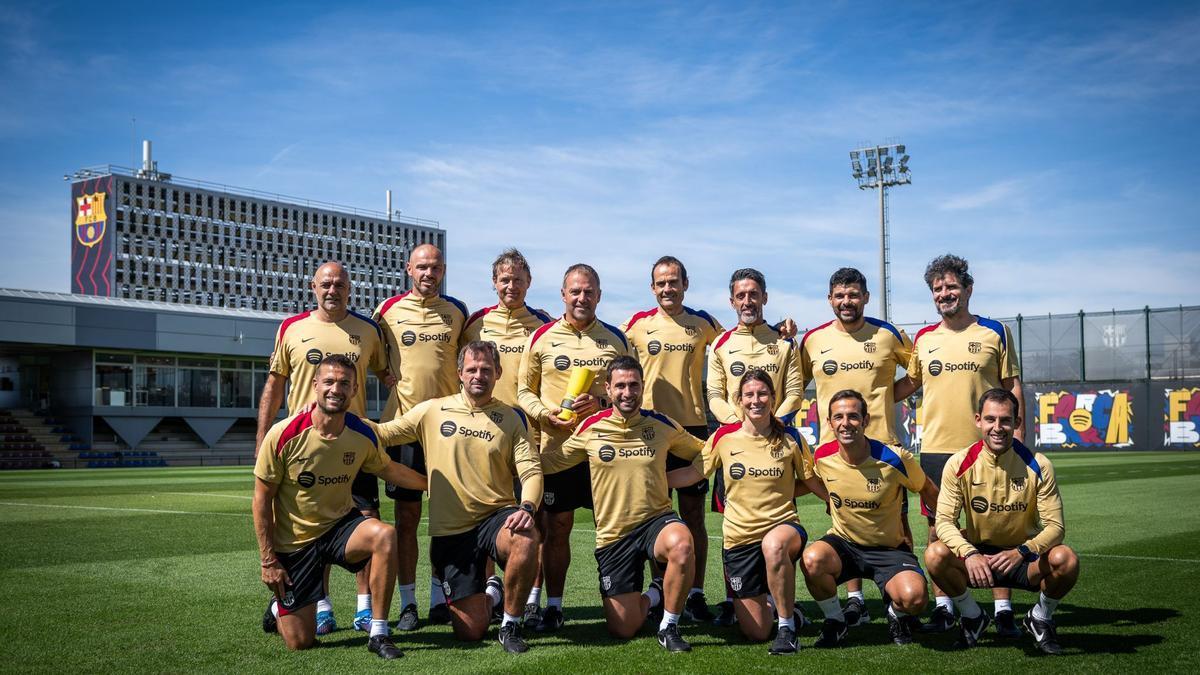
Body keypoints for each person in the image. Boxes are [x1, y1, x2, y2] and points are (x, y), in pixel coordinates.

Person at [253, 355, 426, 659]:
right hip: (295, 543)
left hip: (339, 528)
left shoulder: (361, 433)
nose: (336, 389)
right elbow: (261, 500)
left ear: (355, 389)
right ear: (315, 385)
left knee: (385, 535)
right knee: (300, 641)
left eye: (345, 383)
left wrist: (433, 484)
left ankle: (379, 631)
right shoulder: (283, 435)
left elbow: (391, 470)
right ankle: (279, 608)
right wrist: (269, 561)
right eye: (329, 382)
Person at [375, 341, 543, 653]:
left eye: (486, 370)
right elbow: (384, 433)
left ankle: (510, 625)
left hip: (496, 517)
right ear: (460, 374)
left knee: (525, 535)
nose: (479, 375)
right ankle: (491, 592)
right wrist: (334, 417)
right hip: (452, 532)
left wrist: (528, 506)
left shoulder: (511, 418)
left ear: (498, 374)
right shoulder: (432, 410)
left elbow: (531, 470)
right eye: (472, 369)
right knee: (470, 631)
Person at [256, 261, 394, 634]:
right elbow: (274, 386)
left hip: (355, 444)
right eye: (326, 284)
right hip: (304, 448)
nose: (333, 290)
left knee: (365, 524)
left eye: (340, 285)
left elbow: (389, 376)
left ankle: (365, 608)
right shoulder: (291, 328)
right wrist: (261, 440)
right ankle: (320, 605)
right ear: (313, 287)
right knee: (314, 529)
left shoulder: (368, 330)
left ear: (351, 289)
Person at [540, 356, 703, 652]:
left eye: (634, 385)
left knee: (682, 543)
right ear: (608, 389)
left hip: (657, 521)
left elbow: (705, 452)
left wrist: (680, 476)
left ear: (643, 387)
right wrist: (510, 460)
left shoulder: (662, 424)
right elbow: (554, 463)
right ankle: (655, 592)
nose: (628, 392)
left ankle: (669, 625)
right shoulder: (590, 427)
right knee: (623, 628)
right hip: (614, 536)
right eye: (621, 386)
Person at [901, 253, 1025, 636]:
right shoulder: (924, 339)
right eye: (937, 289)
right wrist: (866, 394)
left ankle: (1003, 609)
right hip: (938, 450)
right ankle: (945, 607)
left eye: (951, 286)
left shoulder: (995, 331)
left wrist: (1018, 441)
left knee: (997, 527)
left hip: (987, 448)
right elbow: (909, 385)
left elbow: (1013, 387)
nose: (944, 294)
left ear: (968, 289)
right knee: (939, 530)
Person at [667, 369, 828, 654]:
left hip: (783, 529)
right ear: (739, 401)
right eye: (749, 395)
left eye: (762, 394)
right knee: (755, 631)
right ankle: (788, 612)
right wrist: (649, 482)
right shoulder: (723, 438)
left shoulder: (791, 437)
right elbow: (693, 473)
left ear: (773, 398)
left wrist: (835, 501)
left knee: (774, 545)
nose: (756, 400)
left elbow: (811, 479)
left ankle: (788, 628)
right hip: (739, 540)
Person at [516, 263, 632, 632]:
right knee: (556, 527)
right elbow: (523, 391)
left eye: (589, 291)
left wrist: (601, 406)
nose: (582, 298)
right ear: (563, 295)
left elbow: (629, 392)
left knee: (611, 527)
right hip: (558, 451)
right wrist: (546, 415)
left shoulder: (616, 339)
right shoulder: (542, 337)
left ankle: (618, 598)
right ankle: (553, 605)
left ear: (599, 295)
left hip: (606, 454)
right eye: (575, 291)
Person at [798, 267, 914, 627]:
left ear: (865, 297)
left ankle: (897, 597)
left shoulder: (887, 334)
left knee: (898, 524)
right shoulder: (813, 339)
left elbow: (918, 373)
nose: (846, 302)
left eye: (853, 295)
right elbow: (796, 381)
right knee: (844, 521)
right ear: (830, 299)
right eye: (840, 296)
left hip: (883, 451)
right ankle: (856, 600)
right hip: (835, 453)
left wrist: (882, 399)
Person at [925, 389, 1078, 653]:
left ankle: (1040, 618)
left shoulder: (1038, 465)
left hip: (1021, 558)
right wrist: (969, 553)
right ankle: (973, 617)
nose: (998, 428)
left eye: (1005, 420)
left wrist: (1023, 551)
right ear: (978, 420)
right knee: (935, 554)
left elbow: (1056, 528)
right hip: (978, 557)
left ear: (1017, 423)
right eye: (990, 419)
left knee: (1066, 559)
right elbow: (944, 522)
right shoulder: (958, 464)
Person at [373, 243, 469, 630]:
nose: (429, 274)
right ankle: (408, 603)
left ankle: (440, 598)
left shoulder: (459, 312)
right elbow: (373, 354)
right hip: (403, 430)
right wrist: (383, 374)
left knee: (450, 519)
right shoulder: (386, 311)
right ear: (409, 269)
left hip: (449, 431)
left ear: (443, 270)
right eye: (422, 267)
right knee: (407, 518)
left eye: (435, 268)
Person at [705, 267, 804, 625]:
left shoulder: (783, 343)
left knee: (778, 522)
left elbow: (794, 391)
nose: (748, 301)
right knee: (734, 524)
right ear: (732, 301)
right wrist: (737, 424)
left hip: (775, 445)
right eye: (741, 295)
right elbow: (714, 394)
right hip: (735, 445)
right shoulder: (720, 344)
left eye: (753, 294)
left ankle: (784, 602)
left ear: (765, 297)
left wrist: (771, 421)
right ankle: (737, 600)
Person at [803, 390, 939, 648]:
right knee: (812, 560)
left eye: (853, 416)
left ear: (865, 421)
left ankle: (895, 614)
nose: (846, 423)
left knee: (915, 599)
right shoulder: (822, 456)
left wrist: (944, 525)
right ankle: (835, 620)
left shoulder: (895, 458)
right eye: (839, 417)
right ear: (830, 423)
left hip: (888, 549)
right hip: (845, 544)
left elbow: (929, 490)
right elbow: (807, 482)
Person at [462, 248, 552, 627]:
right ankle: (489, 592)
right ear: (494, 282)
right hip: (483, 437)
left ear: (528, 283)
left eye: (518, 279)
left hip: (531, 437)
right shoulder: (475, 323)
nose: (511, 285)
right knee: (483, 519)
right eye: (504, 279)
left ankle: (531, 599)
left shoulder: (545, 323)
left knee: (535, 523)